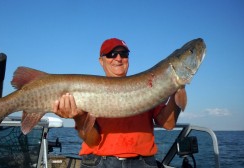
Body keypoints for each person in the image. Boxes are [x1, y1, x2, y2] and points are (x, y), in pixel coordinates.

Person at [52, 38, 186, 168]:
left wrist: (177, 88)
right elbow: (92, 142)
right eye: (111, 54)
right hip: (100, 162)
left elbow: (168, 124)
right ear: (101, 61)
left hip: (142, 163)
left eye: (124, 54)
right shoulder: (86, 93)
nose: (118, 58)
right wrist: (79, 117)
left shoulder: (148, 87)